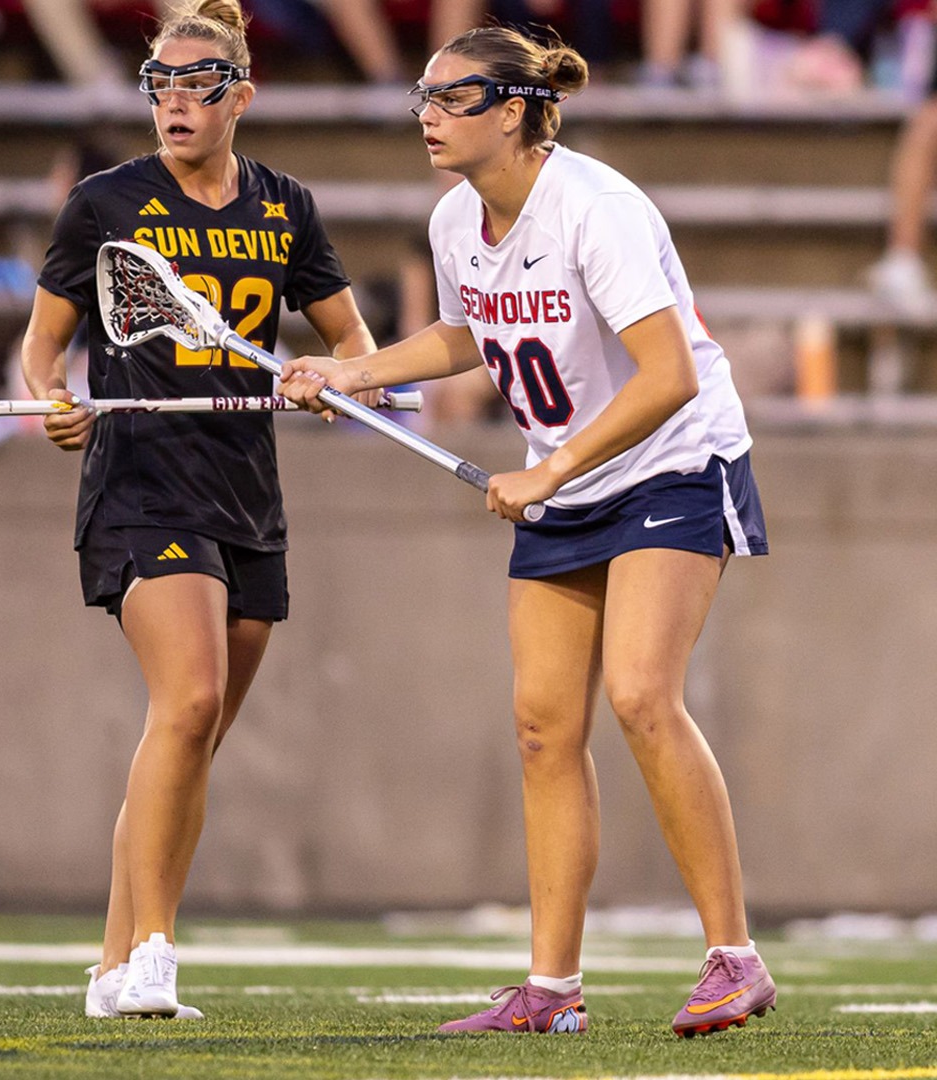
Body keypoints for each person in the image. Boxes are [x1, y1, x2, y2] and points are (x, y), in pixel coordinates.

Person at [279, 27, 774, 1036]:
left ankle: (735, 956)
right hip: (567, 482)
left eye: (450, 97)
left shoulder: (595, 209)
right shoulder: (457, 219)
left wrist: (548, 467)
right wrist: (351, 372)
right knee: (545, 728)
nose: (427, 113)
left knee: (640, 692)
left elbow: (670, 374)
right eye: (422, 94)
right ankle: (550, 991)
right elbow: (471, 331)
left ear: (512, 108)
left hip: (669, 461)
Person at [21, 0, 378, 1021]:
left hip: (246, 492)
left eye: (198, 84)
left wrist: (335, 377)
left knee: (189, 740)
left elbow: (352, 345)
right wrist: (54, 399)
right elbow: (41, 350)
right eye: (159, 84)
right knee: (184, 707)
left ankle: (104, 968)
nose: (174, 101)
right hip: (140, 480)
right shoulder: (105, 203)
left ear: (242, 96)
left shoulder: (286, 206)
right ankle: (156, 952)